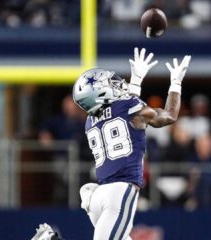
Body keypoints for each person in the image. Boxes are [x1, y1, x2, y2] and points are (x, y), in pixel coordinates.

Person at [32, 48, 191, 240]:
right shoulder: (129, 108)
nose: (117, 85)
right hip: (119, 193)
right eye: (110, 84)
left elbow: (128, 116)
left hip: (100, 195)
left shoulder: (90, 121)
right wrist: (175, 83)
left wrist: (137, 80)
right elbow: (169, 116)